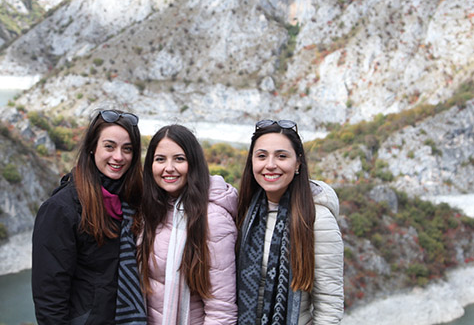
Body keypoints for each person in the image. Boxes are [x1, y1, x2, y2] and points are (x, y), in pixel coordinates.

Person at [32, 109, 147, 325]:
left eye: (127, 149)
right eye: (109, 146)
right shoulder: (61, 209)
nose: (118, 157)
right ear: (93, 148)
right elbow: (49, 299)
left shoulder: (133, 201)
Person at [236, 119, 344, 325]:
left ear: (298, 163)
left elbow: (329, 308)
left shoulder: (316, 219)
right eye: (261, 156)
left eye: (282, 156)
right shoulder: (244, 212)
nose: (270, 165)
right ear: (252, 162)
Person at [135, 124, 238, 325]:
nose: (169, 168)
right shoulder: (149, 211)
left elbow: (221, 311)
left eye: (179, 159)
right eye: (160, 159)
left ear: (194, 163)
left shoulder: (212, 218)